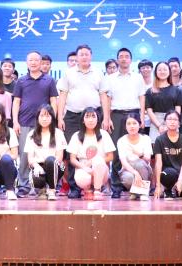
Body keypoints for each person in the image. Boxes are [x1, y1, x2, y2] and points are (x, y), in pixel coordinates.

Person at [57, 44, 103, 198]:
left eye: (86, 54)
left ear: (91, 55)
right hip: (72, 115)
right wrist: (60, 117)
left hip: (93, 116)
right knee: (72, 151)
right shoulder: (68, 73)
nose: (84, 56)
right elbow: (63, 95)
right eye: (81, 54)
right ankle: (74, 187)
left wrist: (106, 117)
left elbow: (103, 95)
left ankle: (96, 184)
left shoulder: (98, 73)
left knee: (96, 148)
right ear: (76, 57)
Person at [12, 51, 59, 198]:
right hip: (24, 122)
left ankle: (45, 185)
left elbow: (53, 101)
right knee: (25, 155)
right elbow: (16, 102)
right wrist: (15, 121)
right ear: (26, 62)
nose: (33, 63)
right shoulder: (21, 81)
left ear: (41, 62)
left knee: (46, 154)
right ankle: (24, 185)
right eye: (30, 60)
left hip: (44, 124)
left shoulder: (49, 80)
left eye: (36, 60)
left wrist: (53, 120)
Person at [100, 47, 145, 197]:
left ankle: (137, 187)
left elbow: (142, 97)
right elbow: (107, 99)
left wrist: (141, 116)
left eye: (127, 56)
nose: (124, 59)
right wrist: (107, 118)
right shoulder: (110, 78)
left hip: (134, 114)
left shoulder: (138, 77)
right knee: (116, 151)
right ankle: (116, 187)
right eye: (121, 56)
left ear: (131, 60)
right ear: (117, 59)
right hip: (117, 116)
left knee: (135, 150)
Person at [67, 106, 115, 199]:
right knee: (83, 179)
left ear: (98, 119)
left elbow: (111, 156)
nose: (90, 120)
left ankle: (97, 190)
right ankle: (87, 190)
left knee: (98, 160)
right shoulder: (76, 136)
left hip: (101, 169)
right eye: (87, 116)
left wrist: (93, 161)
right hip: (83, 167)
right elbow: (72, 159)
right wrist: (84, 167)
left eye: (93, 116)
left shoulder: (104, 134)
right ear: (83, 120)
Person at [24, 104, 67, 200]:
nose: (44, 119)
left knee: (51, 160)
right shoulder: (31, 134)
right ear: (37, 118)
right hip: (38, 166)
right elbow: (30, 159)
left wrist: (48, 163)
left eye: (47, 116)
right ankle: (42, 189)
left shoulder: (58, 133)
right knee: (37, 179)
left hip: (55, 165)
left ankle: (52, 189)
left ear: (52, 117)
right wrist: (37, 166)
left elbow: (59, 157)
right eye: (42, 116)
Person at [153, 110, 182, 199]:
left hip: (180, 171)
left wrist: (180, 180)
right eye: (169, 119)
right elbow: (158, 163)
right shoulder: (159, 139)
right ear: (165, 122)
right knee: (170, 174)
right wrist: (157, 186)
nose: (172, 122)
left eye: (175, 119)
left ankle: (176, 189)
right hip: (166, 172)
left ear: (179, 123)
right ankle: (167, 189)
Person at [142, 61, 182, 145]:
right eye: (159, 70)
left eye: (165, 69)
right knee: (156, 148)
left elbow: (178, 110)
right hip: (155, 122)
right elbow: (149, 111)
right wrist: (159, 126)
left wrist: (171, 122)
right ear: (155, 72)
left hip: (173, 121)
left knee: (173, 148)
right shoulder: (150, 91)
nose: (162, 72)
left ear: (169, 72)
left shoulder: (176, 90)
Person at [115, 112, 153, 200]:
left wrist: (139, 154)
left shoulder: (146, 139)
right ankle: (135, 192)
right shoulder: (121, 141)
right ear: (125, 127)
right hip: (128, 170)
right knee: (129, 178)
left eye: (134, 123)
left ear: (139, 125)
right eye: (128, 124)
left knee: (139, 164)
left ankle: (143, 192)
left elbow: (148, 160)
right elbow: (123, 162)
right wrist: (135, 173)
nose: (132, 126)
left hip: (144, 169)